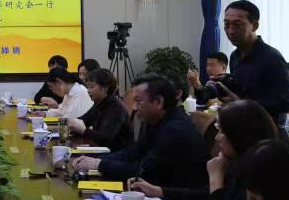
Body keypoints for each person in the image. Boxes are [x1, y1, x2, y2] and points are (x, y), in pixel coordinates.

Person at [130, 100, 277, 200]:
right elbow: (203, 196)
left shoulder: (257, 173)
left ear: (239, 135)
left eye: (222, 131)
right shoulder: (235, 162)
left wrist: (216, 180)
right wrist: (159, 191)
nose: (217, 138)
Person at [71, 74, 209, 189]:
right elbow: (133, 152)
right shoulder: (157, 120)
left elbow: (142, 171)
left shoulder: (175, 130)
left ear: (159, 102)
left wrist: (98, 164)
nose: (135, 108)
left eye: (139, 101)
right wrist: (96, 160)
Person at [216, 0, 289, 124]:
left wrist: (242, 103)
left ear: (255, 26)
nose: (230, 31)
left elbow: (286, 103)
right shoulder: (235, 56)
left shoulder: (271, 58)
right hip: (242, 123)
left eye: (237, 25)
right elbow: (244, 92)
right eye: (227, 24)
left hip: (268, 129)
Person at [69, 68, 131, 151]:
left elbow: (105, 139)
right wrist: (71, 124)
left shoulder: (115, 107)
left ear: (105, 88)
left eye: (91, 86)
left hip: (115, 153)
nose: (88, 91)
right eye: (88, 87)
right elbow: (83, 120)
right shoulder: (99, 103)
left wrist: (83, 130)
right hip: (102, 149)